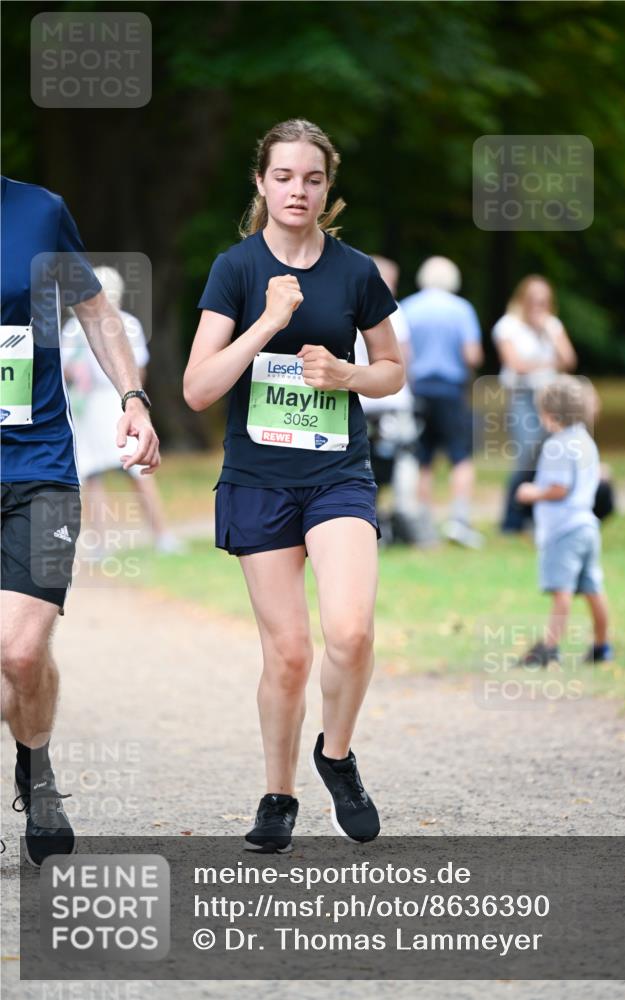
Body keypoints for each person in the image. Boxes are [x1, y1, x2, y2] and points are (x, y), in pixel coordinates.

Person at [184, 119, 403, 853]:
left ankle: (334, 756)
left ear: (326, 188)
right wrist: (267, 323)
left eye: (311, 178)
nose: (297, 190)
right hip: (258, 479)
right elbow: (196, 388)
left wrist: (348, 375)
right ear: (261, 183)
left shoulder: (354, 272)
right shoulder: (235, 270)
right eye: (283, 177)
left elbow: (391, 370)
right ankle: (277, 797)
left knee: (350, 631)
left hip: (336, 471)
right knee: (288, 655)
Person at [0, 176, 159, 866]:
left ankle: (35, 769)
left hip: (38, 467)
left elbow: (95, 311)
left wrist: (133, 396)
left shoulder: (40, 212)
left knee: (20, 652)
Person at [62, 266, 184, 556]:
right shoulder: (73, 328)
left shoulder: (127, 324)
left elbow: (138, 371)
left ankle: (162, 535)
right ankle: (101, 544)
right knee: (92, 476)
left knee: (138, 471)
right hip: (86, 407)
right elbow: (63, 367)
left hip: (117, 404)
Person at [515, 375, 612, 666]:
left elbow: (559, 488)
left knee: (562, 590)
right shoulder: (585, 440)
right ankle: (602, 646)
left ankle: (549, 648)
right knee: (593, 589)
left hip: (564, 530)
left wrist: (531, 492)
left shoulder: (557, 445)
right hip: (587, 526)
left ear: (551, 415)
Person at [400, 256, 484, 548]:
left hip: (418, 390)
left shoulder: (408, 307)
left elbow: (403, 353)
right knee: (461, 456)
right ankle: (459, 519)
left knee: (423, 458)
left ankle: (425, 522)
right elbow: (472, 354)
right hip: (450, 390)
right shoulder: (461, 310)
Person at [492, 275, 577, 533]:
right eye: (534, 300)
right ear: (523, 300)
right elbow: (515, 365)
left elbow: (569, 359)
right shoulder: (507, 326)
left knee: (547, 454)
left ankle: (535, 514)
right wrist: (548, 363)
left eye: (544, 301)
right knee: (526, 454)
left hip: (549, 398)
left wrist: (547, 334)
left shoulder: (552, 325)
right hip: (522, 398)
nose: (539, 306)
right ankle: (512, 519)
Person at [354, 257, 424, 545]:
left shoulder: (349, 304)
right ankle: (402, 519)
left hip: (359, 397)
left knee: (364, 465)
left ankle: (371, 520)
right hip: (392, 400)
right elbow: (403, 356)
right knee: (402, 461)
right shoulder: (392, 311)